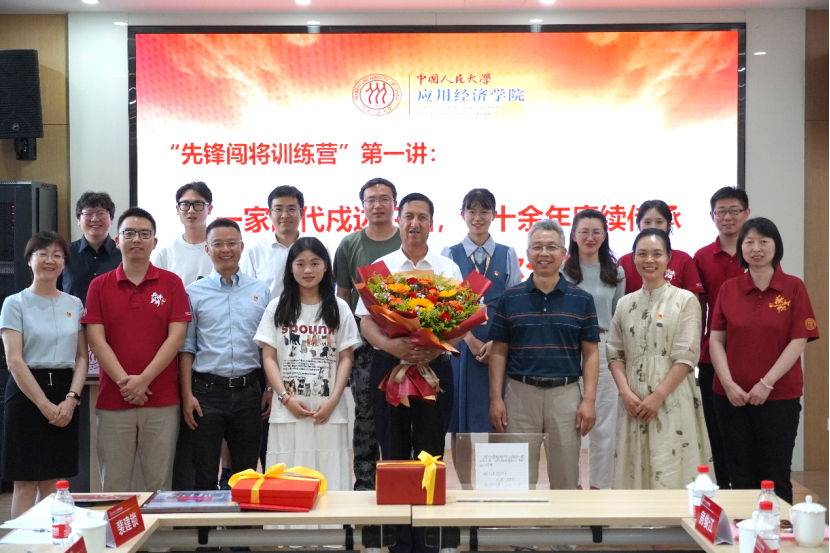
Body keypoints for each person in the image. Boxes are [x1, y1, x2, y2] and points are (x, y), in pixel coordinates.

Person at [357, 193, 462, 553]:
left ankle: (429, 539)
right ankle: (400, 540)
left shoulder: (447, 269)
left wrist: (436, 347)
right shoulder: (382, 267)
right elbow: (366, 321)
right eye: (408, 217)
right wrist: (392, 347)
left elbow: (463, 320)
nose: (414, 223)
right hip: (391, 368)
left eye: (422, 217)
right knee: (394, 452)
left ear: (432, 223)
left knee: (431, 451)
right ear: (398, 221)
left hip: (435, 367)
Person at [709, 218, 818, 506]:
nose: (756, 248)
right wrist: (728, 384)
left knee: (775, 475)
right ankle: (742, 531)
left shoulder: (793, 287)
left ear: (776, 246)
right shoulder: (729, 288)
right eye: (749, 242)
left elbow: (799, 340)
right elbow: (716, 340)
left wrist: (767, 383)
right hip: (731, 398)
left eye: (763, 241)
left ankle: (777, 532)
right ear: (741, 248)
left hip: (779, 396)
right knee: (739, 474)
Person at [83, 207, 191, 492]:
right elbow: (96, 340)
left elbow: (177, 338)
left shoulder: (172, 283)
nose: (136, 239)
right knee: (114, 485)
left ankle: (155, 527)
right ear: (117, 240)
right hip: (113, 400)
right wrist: (126, 383)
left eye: (144, 234)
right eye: (129, 233)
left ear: (155, 242)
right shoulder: (99, 286)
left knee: (158, 485)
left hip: (162, 399)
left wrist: (143, 380)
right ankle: (118, 527)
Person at [488, 219, 600, 490]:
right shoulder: (510, 298)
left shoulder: (582, 299)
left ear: (564, 253)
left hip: (566, 396)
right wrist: (495, 398)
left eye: (551, 247)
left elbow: (591, 353)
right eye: (537, 247)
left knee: (566, 479)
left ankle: (564, 519)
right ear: (527, 253)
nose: (544, 253)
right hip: (519, 395)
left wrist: (588, 400)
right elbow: (499, 351)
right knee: (516, 481)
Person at [607, 228, 711, 489]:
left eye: (657, 254)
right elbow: (615, 352)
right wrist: (625, 393)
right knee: (633, 469)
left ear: (668, 258)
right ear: (633, 258)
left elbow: (687, 356)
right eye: (642, 254)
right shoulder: (624, 304)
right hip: (633, 400)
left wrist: (658, 396)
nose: (649, 260)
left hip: (672, 398)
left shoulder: (685, 300)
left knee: (671, 467)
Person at [254, 237, 361, 491]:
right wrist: (285, 398)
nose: (308, 270)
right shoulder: (276, 307)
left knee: (330, 478)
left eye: (315, 263)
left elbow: (346, 358)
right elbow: (268, 357)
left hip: (328, 411)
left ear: (326, 267)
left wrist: (333, 400)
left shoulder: (339, 308)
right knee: (287, 481)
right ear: (291, 268)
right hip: (287, 411)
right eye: (300, 264)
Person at [1, 232, 88, 518]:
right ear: (29, 260)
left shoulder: (74, 304)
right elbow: (14, 360)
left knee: (55, 481)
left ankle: (54, 539)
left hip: (65, 390)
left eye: (57, 255)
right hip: (26, 393)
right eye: (43, 254)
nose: (50, 260)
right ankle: (21, 541)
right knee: (25, 482)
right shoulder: (14, 303)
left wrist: (72, 399)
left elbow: (81, 357)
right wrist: (43, 404)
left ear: (64, 262)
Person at [179, 219, 270, 490]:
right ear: (207, 249)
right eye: (218, 244)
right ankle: (206, 519)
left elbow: (267, 347)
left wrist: (268, 388)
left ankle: (240, 520)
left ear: (242, 246)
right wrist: (187, 394)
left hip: (249, 391)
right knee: (204, 475)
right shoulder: (193, 293)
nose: (225, 249)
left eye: (231, 243)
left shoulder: (260, 290)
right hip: (206, 393)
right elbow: (187, 348)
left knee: (245, 477)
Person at [440, 188, 522, 484]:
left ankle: (495, 484)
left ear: (494, 215)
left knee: (497, 416)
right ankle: (465, 485)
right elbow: (444, 306)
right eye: (472, 211)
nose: (478, 218)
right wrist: (470, 339)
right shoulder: (450, 254)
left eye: (484, 211)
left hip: (498, 346)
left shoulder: (507, 254)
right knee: (460, 422)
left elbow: (514, 303)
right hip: (461, 346)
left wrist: (496, 342)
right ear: (462, 215)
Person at [333, 177, 402, 491]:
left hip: (403, 342)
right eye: (371, 199)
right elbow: (343, 296)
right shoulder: (350, 244)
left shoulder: (406, 241)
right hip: (363, 344)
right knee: (365, 413)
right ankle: (365, 481)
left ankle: (400, 478)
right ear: (362, 205)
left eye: (384, 198)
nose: (377, 205)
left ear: (394, 204)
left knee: (402, 410)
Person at [562, 209, 625, 490]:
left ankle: (600, 488)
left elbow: (617, 315)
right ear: (574, 236)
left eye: (596, 232)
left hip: (603, 347)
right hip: (568, 348)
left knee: (605, 423)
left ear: (604, 235)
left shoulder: (616, 271)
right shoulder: (562, 271)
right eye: (584, 232)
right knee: (568, 423)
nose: (590, 237)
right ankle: (572, 486)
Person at [694, 186, 751, 488]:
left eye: (734, 211)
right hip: (711, 357)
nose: (727, 217)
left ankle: (752, 491)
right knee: (717, 430)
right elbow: (698, 308)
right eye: (721, 212)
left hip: (752, 356)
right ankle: (725, 491)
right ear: (712, 216)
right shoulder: (702, 257)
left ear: (746, 213)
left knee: (750, 430)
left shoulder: (758, 253)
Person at [618, 200, 703, 296]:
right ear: (638, 224)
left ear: (668, 225)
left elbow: (692, 300)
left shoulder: (683, 259)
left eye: (659, 222)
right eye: (647, 222)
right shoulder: (624, 262)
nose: (653, 227)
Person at [240, 185, 305, 300]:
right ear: (269, 213)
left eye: (291, 209)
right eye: (278, 209)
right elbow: (245, 290)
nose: (285, 215)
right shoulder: (255, 249)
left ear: (302, 213)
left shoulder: (317, 248)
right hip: (267, 311)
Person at [60, 191, 122, 305]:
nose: (95, 219)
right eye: (88, 213)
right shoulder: (64, 253)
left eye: (101, 213)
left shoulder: (123, 254)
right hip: (72, 316)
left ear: (111, 219)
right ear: (79, 220)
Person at [153, 181, 214, 287]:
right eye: (185, 204)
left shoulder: (221, 249)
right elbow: (159, 290)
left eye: (198, 204)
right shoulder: (167, 252)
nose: (191, 210)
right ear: (177, 209)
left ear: (209, 209)